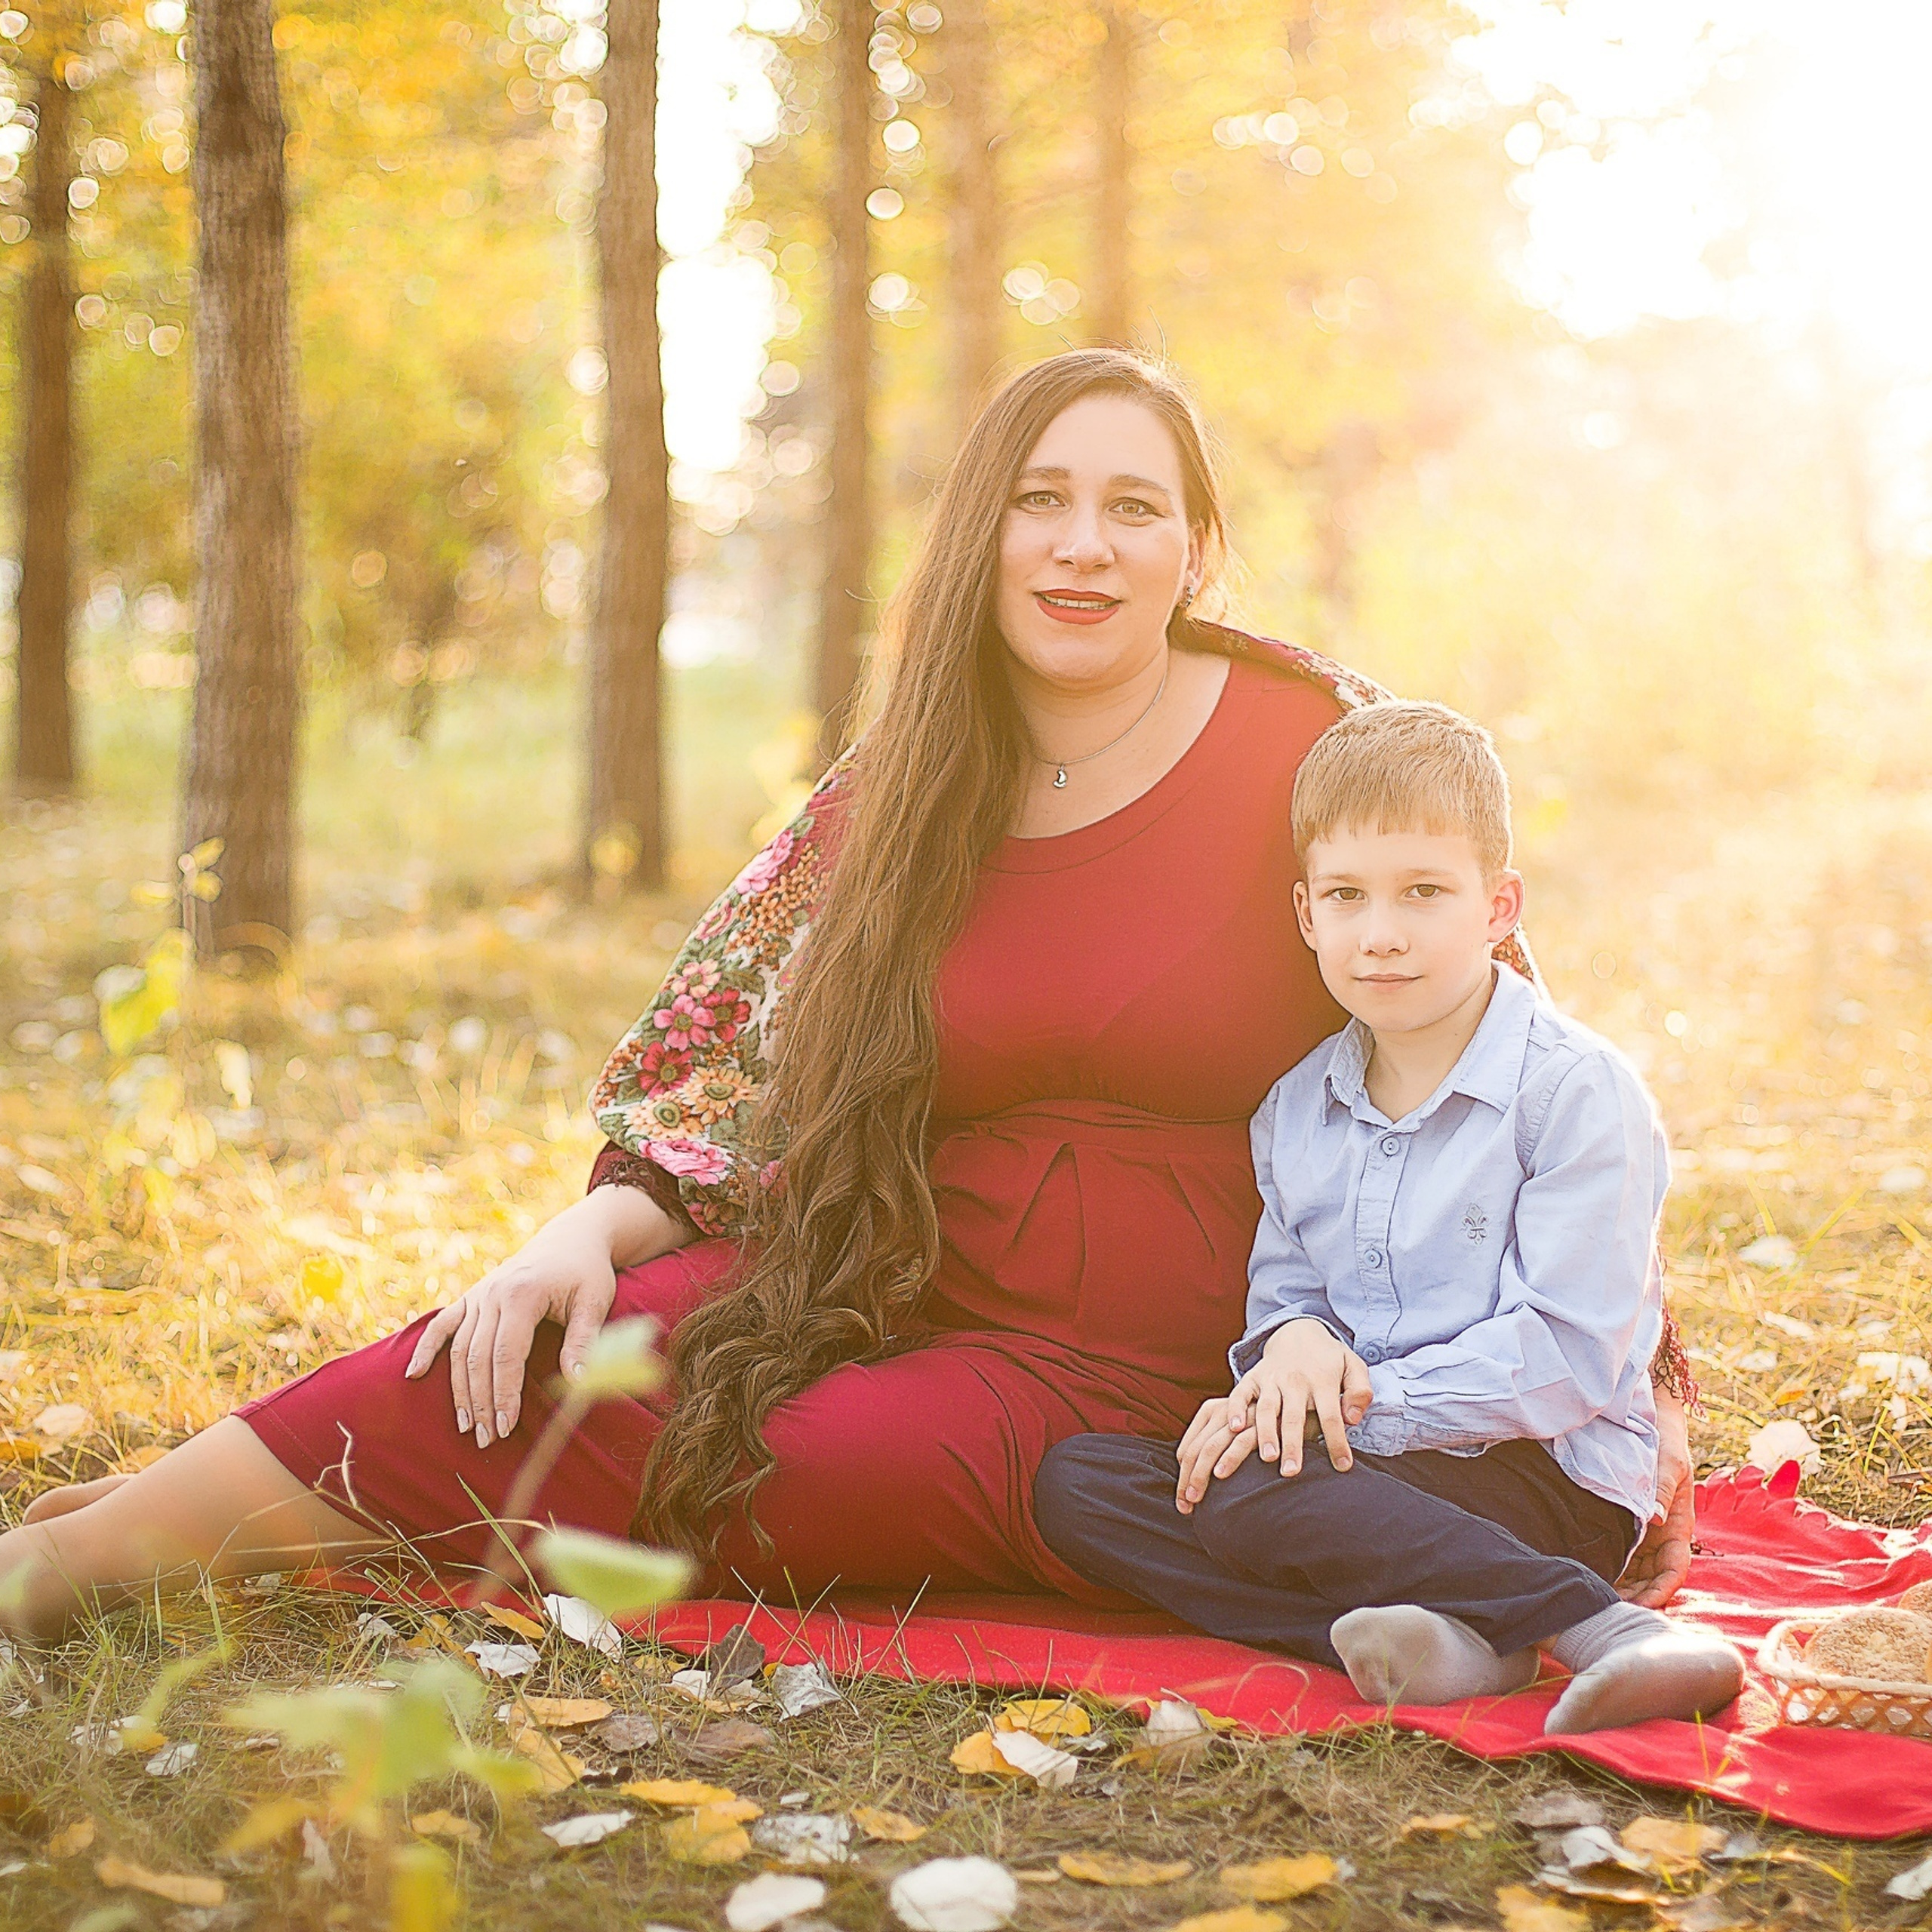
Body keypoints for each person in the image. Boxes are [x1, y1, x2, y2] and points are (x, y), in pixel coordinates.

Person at [0, 351, 1697, 1644]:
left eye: (1132, 506)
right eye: (1039, 498)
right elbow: (727, 1064)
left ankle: (217, 1527)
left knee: (785, 1466)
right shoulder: (906, 782)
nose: (1082, 545)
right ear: (979, 531)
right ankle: (84, 1556)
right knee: (541, 1351)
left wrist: (1536, 1402)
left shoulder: (1315, 741)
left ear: (1195, 545)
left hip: (1162, 1356)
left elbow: (1493, 1051)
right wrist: (583, 1232)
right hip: (880, 1260)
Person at [1034, 703, 1743, 1734]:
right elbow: (1289, 1294)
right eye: (1347, 896)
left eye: (1424, 892)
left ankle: (1603, 1627)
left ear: (1498, 905)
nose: (1382, 934)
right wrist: (1292, 1349)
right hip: (1366, 1472)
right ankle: (1462, 1643)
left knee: (1257, 1489)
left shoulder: (1575, 1092)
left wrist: (1347, 1409)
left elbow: (1568, 1357)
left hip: (1546, 1476)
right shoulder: (1296, 1108)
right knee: (1082, 1486)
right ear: (1306, 914)